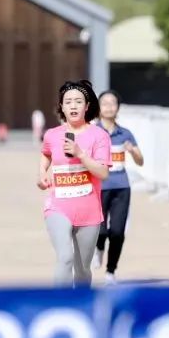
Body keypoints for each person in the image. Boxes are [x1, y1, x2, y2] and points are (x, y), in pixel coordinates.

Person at [38, 80, 111, 288]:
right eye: (68, 102)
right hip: (58, 207)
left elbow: (103, 172)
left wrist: (80, 154)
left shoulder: (99, 136)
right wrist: (42, 173)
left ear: (87, 106)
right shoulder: (52, 135)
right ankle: (60, 302)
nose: (73, 106)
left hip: (89, 211)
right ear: (61, 107)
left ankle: (81, 302)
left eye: (78, 101)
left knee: (82, 269)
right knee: (65, 258)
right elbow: (46, 154)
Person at [92, 90, 144, 286]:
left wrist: (132, 152)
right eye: (104, 103)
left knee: (117, 232)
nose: (109, 107)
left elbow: (140, 161)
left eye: (112, 103)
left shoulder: (125, 134)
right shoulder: (92, 133)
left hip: (121, 188)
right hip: (98, 188)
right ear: (98, 108)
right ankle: (98, 247)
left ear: (118, 108)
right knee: (100, 230)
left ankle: (111, 271)